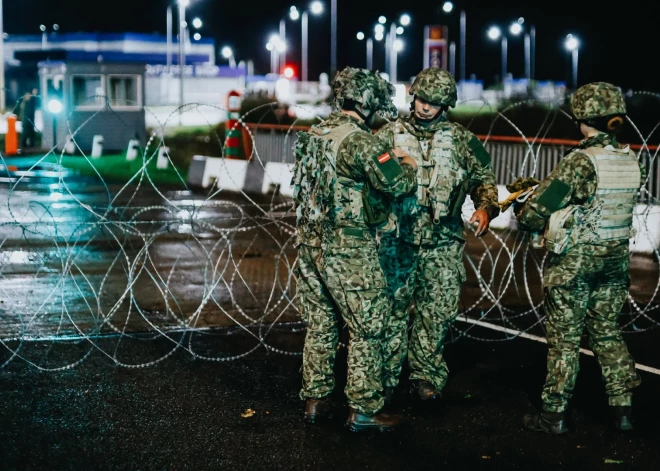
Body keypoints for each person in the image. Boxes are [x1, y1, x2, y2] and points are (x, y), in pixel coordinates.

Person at [514, 82, 644, 434]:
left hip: (575, 264)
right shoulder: (631, 160)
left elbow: (535, 213)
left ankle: (553, 415)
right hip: (614, 261)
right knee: (606, 332)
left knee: (565, 340)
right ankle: (623, 410)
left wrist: (524, 204)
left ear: (581, 117)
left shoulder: (580, 162)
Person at [294, 67, 418, 431]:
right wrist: (406, 163)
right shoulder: (361, 141)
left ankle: (315, 400)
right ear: (366, 103)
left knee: (321, 323)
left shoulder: (316, 133)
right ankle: (364, 408)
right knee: (368, 324)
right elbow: (397, 184)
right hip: (347, 246)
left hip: (309, 242)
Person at [376, 67, 500, 402]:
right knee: (392, 311)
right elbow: (371, 179)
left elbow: (484, 182)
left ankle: (425, 376)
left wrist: (486, 208)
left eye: (434, 102)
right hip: (398, 240)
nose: (425, 107)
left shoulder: (463, 141)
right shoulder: (388, 135)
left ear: (445, 105)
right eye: (422, 99)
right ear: (413, 96)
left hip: (443, 242)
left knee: (437, 312)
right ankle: (386, 377)